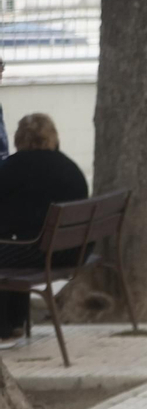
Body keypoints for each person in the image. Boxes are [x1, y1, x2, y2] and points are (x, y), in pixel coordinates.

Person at [0, 114, 88, 337]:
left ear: (19, 137)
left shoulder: (11, 169)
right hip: (73, 252)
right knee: (13, 242)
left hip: (40, 253)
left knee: (10, 245)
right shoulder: (70, 168)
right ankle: (15, 322)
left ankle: (7, 324)